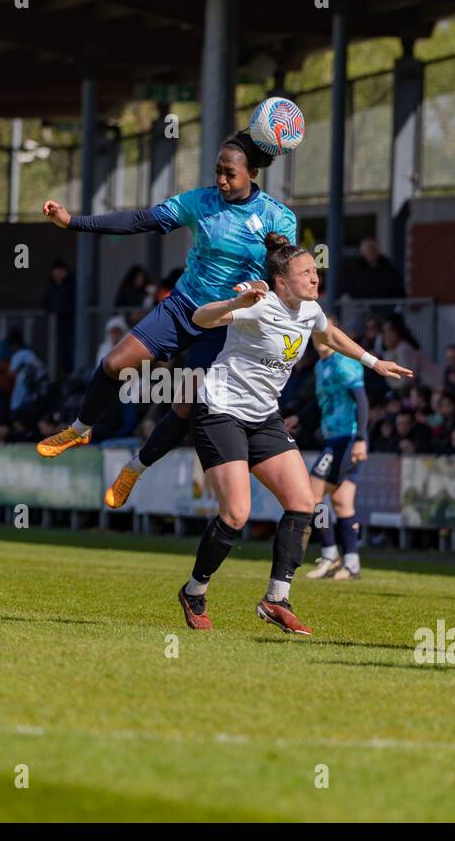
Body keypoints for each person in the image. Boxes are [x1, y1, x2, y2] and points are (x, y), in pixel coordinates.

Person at [37, 129, 295, 510]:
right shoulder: (200, 201)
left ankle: (133, 470)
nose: (221, 180)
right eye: (218, 171)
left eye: (230, 173)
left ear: (252, 174)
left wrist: (276, 259)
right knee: (114, 363)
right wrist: (74, 222)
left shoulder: (278, 217)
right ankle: (80, 429)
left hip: (226, 325)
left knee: (185, 405)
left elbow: (286, 278)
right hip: (183, 307)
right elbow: (141, 220)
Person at [175, 233, 411, 635]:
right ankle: (194, 591)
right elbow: (200, 318)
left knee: (303, 502)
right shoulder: (258, 305)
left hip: (265, 417)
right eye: (305, 273)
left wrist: (374, 362)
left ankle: (276, 598)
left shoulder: (310, 310)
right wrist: (236, 303)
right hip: (221, 411)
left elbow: (328, 335)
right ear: (281, 281)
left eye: (315, 271)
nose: (315, 277)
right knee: (236, 514)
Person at [304, 328, 370, 581]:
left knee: (312, 496)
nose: (319, 339)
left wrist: (361, 439)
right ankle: (351, 564)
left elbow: (361, 401)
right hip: (335, 438)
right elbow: (321, 402)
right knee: (342, 502)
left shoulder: (344, 363)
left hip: (348, 439)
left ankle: (330, 553)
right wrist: (300, 417)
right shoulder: (321, 366)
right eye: (315, 335)